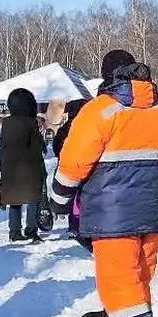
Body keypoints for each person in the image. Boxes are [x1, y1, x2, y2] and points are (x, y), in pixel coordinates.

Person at [51, 49, 158, 317]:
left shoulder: (102, 109)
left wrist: (58, 198)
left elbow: (74, 162)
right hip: (152, 212)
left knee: (120, 287)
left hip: (113, 216)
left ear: (108, 75)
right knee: (138, 282)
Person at [0, 87, 48, 244]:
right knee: (32, 199)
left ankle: (14, 232)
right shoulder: (32, 123)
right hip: (30, 166)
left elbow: (2, 146)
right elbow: (39, 147)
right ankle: (31, 230)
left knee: (14, 201)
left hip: (10, 166)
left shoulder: (6, 123)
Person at [52, 98, 88, 240]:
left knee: (71, 197)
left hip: (67, 166)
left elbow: (56, 146)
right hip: (86, 165)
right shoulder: (87, 126)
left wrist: (62, 157)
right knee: (81, 197)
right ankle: (80, 224)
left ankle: (73, 225)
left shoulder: (65, 129)